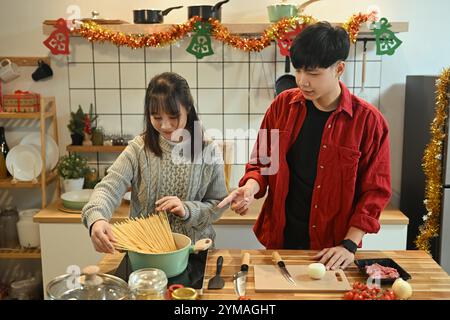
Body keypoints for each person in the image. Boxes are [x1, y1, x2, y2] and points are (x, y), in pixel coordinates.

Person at [218, 22, 391, 270]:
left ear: (339, 69)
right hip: (280, 240)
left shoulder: (368, 122)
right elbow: (262, 163)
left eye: (313, 73)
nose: (302, 81)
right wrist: (250, 187)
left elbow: (375, 191)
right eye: (298, 70)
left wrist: (349, 245)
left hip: (333, 249)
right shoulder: (282, 107)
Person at [82, 72, 228, 254]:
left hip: (194, 252)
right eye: (157, 118)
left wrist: (187, 209)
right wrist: (97, 218)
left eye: (173, 116)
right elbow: (109, 187)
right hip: (144, 253)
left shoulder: (208, 150)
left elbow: (218, 204)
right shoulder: (139, 148)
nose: (165, 125)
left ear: (188, 108)